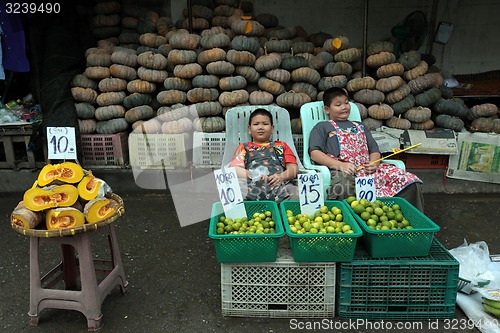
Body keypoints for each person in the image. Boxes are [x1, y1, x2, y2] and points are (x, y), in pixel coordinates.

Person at [308, 87, 425, 212]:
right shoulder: (322, 127)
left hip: (369, 170)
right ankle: (350, 223)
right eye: (338, 104)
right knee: (343, 185)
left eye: (346, 103)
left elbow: (374, 149)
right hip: (344, 172)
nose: (344, 107)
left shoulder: (360, 126)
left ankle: (410, 220)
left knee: (409, 181)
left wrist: (374, 163)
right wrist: (339, 165)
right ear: (327, 109)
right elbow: (314, 153)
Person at [231, 108, 299, 203]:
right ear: (249, 129)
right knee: (235, 192)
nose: (260, 127)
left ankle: (282, 215)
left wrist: (281, 176)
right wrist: (253, 174)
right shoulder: (244, 147)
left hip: (278, 184)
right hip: (251, 184)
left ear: (272, 129)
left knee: (296, 193)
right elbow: (235, 169)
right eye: (256, 124)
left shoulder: (281, 146)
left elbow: (294, 168)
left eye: (265, 124)